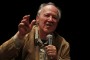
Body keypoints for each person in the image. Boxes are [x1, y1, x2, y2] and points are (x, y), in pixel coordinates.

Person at [0, 2, 70, 60]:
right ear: (37, 19)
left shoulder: (63, 44)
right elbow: (2, 56)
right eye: (47, 15)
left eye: (54, 17)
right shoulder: (25, 35)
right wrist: (20, 36)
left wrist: (57, 58)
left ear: (57, 22)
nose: (50, 20)